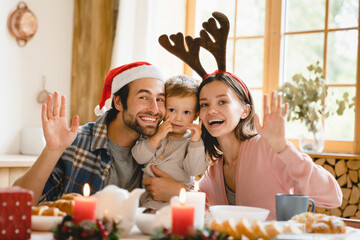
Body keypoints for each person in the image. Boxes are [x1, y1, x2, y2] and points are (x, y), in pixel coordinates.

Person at [13, 61, 183, 204]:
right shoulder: (76, 141)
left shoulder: (164, 147)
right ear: (118, 102)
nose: (154, 109)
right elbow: (18, 203)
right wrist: (52, 151)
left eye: (160, 99)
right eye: (143, 97)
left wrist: (180, 191)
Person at [197, 72, 343, 220]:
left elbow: (332, 196)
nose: (211, 110)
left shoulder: (266, 148)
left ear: (244, 111)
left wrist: (282, 147)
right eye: (204, 104)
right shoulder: (213, 173)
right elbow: (194, 209)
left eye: (222, 102)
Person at [132, 75, 207, 209]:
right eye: (172, 110)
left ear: (196, 115)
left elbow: (194, 170)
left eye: (186, 112)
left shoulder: (193, 140)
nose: (178, 118)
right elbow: (138, 157)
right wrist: (157, 137)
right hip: (150, 200)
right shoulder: (155, 132)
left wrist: (195, 142)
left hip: (179, 200)